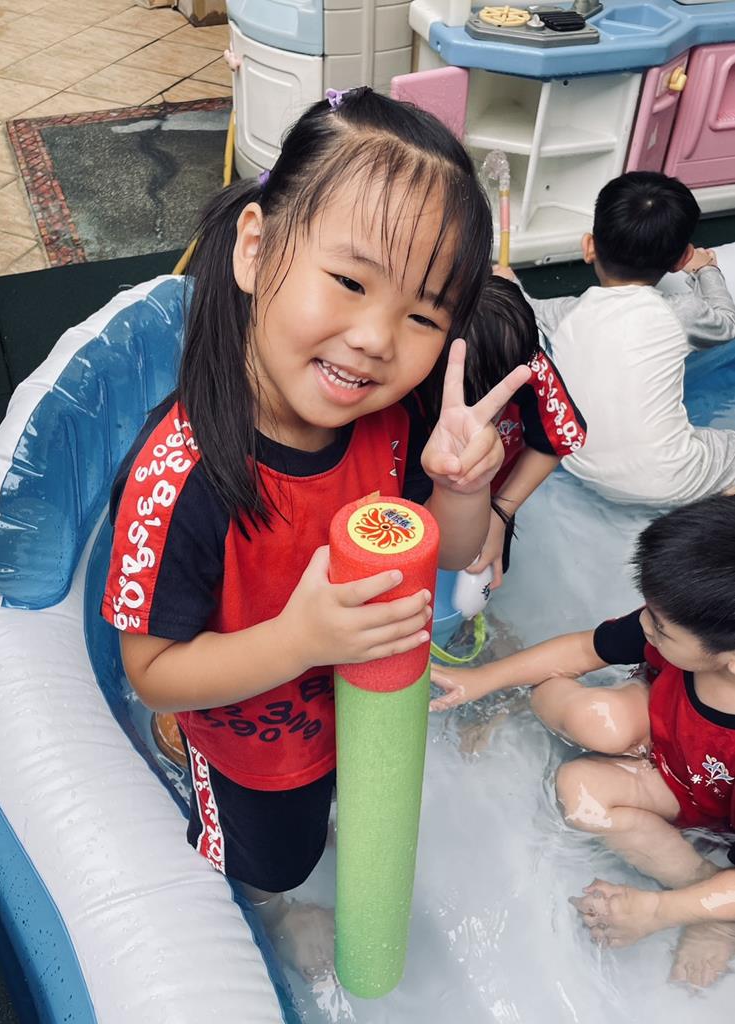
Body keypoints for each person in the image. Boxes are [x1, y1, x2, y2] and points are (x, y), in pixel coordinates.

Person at [100, 87, 530, 980]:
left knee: (325, 813)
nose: (375, 338)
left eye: (422, 315)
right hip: (245, 743)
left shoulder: (392, 427)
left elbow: (449, 556)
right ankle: (268, 902)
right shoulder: (180, 478)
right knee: (270, 858)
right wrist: (300, 640)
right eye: (349, 282)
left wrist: (464, 489)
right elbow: (151, 672)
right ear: (255, 249)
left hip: (355, 715)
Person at [431, 494, 735, 989]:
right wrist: (483, 681)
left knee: (586, 794)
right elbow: (582, 649)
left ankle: (702, 898)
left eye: (660, 627)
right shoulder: (682, 625)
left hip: (710, 795)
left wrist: (658, 911)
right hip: (665, 745)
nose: (644, 625)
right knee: (589, 752)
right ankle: (703, 897)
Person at [495, 171, 735, 507]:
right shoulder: (681, 313)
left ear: (589, 247)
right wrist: (705, 268)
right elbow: (727, 322)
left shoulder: (563, 314)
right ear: (680, 260)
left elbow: (525, 308)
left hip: (583, 468)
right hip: (671, 479)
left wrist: (509, 283)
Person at [463, 275, 586, 590]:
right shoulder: (414, 367)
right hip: (422, 491)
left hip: (492, 495)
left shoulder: (530, 369)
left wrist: (500, 514)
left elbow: (555, 441)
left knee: (483, 570)